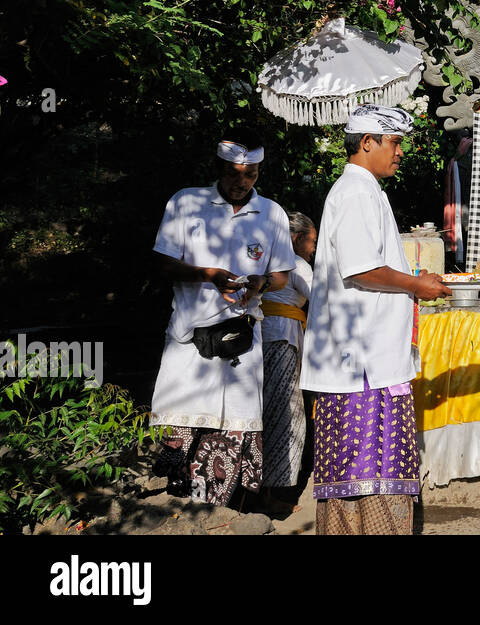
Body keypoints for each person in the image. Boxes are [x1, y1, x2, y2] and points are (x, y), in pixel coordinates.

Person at [300, 104, 451, 535]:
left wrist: (416, 279)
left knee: (378, 466)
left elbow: (373, 263)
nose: (400, 151)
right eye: (395, 142)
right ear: (367, 143)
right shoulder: (354, 193)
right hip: (360, 364)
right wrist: (414, 286)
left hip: (372, 358)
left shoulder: (368, 192)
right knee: (366, 468)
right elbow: (361, 269)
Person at [150, 128, 294, 506]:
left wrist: (262, 283)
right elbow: (162, 262)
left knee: (231, 434)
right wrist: (206, 274)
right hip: (189, 342)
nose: (241, 182)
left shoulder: (272, 214)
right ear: (217, 167)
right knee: (182, 431)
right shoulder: (185, 203)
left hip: (241, 345)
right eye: (233, 173)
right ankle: (180, 514)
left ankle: (218, 517)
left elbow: (283, 274)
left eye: (250, 174)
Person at [258, 211, 316, 511]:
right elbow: (320, 298)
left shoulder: (260, 257)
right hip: (281, 340)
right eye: (311, 241)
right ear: (296, 238)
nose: (313, 249)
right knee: (286, 416)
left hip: (259, 337)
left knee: (262, 411)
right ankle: (275, 493)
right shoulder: (295, 264)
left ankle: (258, 490)